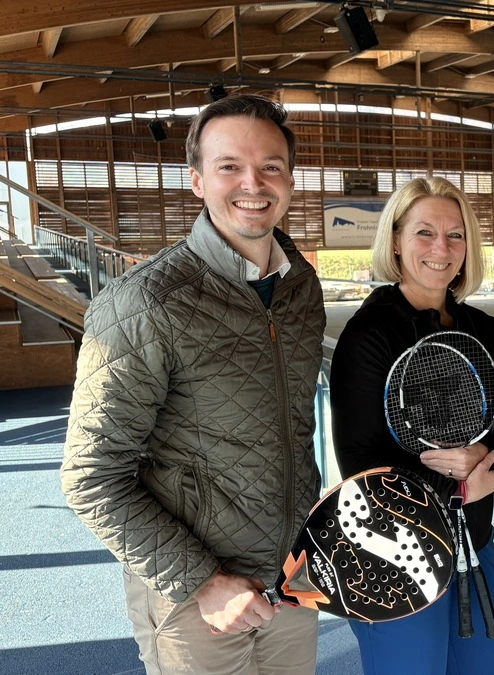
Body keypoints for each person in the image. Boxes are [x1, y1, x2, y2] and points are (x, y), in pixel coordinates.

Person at [60, 94, 326, 674]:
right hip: (195, 598)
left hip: (292, 580)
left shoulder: (301, 287)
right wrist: (203, 582)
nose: (252, 183)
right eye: (229, 166)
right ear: (198, 181)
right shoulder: (145, 302)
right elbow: (91, 477)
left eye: (271, 166)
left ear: (289, 179)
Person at [329, 176, 494, 675]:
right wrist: (460, 488)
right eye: (424, 233)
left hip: (473, 546)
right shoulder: (369, 334)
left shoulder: (482, 328)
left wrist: (487, 460)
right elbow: (361, 463)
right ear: (395, 241)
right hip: (396, 557)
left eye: (455, 235)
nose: (442, 248)